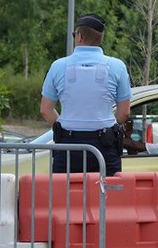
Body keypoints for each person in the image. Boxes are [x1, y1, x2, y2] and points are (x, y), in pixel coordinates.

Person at [40, 13, 131, 176]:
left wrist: (63, 126)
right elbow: (124, 112)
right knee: (107, 198)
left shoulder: (58, 66)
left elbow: (46, 110)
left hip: (68, 146)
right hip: (105, 146)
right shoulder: (117, 66)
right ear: (100, 39)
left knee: (65, 199)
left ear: (80, 36)